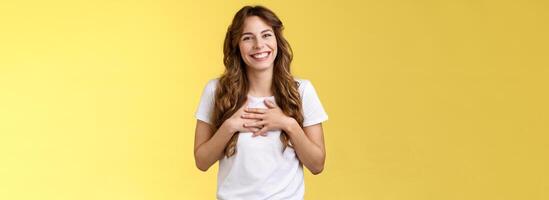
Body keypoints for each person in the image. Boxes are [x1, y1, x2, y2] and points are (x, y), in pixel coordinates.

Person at [193, 5, 328, 200]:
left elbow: (317, 165)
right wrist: (229, 126)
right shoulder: (216, 91)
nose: (259, 45)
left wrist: (287, 123)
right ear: (236, 45)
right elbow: (202, 161)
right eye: (247, 38)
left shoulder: (302, 91)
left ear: (277, 40)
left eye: (266, 35)